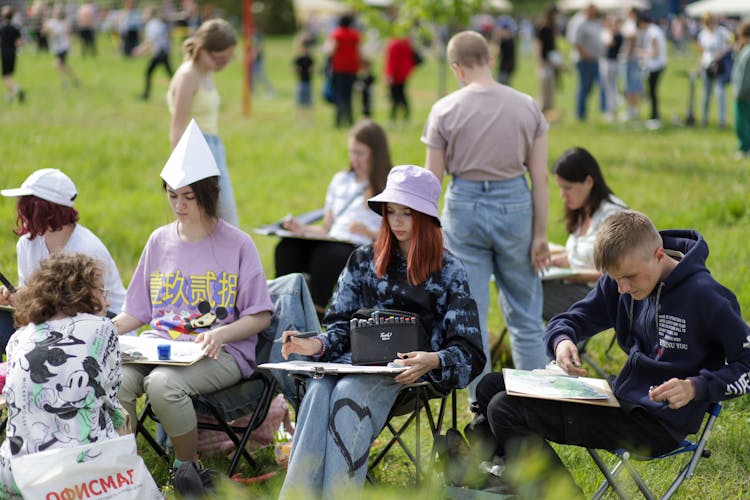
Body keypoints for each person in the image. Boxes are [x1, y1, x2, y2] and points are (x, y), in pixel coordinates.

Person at [473, 210, 750, 496]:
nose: (623, 288)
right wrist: (562, 341)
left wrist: (696, 387)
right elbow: (570, 319)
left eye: (629, 278)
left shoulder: (706, 296)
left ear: (657, 255)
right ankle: (500, 479)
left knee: (504, 408)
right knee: (490, 387)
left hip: (657, 424)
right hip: (618, 400)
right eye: (615, 279)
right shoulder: (621, 281)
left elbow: (747, 364)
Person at [278, 165, 485, 497]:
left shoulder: (449, 271)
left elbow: (470, 351)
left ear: (427, 218)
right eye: (391, 212)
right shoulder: (363, 260)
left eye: (408, 213)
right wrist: (314, 345)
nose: (398, 221)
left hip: (407, 376)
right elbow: (340, 326)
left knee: (347, 394)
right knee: (317, 392)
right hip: (350, 363)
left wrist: (432, 360)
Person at [112, 120, 273, 485]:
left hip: (222, 352)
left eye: (189, 196)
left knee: (163, 386)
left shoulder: (237, 244)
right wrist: (105, 330)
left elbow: (260, 315)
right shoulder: (159, 241)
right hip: (160, 346)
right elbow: (137, 311)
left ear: (209, 193)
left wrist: (221, 334)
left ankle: (187, 470)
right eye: (172, 196)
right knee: (117, 379)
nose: (179, 205)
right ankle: (125, 472)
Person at [423, 30, 550, 398]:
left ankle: (483, 409)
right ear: (490, 59)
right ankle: (539, 403)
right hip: (515, 203)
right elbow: (539, 176)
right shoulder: (526, 105)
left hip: (463, 205)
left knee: (471, 317)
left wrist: (429, 232)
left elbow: (433, 180)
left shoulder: (444, 109)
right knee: (526, 316)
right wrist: (540, 234)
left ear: (456, 68)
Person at [0, 252, 126, 498]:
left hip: (15, 472)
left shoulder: (19, 337)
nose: (107, 302)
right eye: (102, 291)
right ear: (83, 293)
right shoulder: (102, 329)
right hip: (78, 474)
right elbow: (110, 400)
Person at [275, 119, 392, 317]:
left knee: (328, 256)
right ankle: (283, 309)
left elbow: (400, 229)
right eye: (351, 152)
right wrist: (301, 229)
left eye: (360, 153)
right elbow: (327, 228)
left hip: (361, 246)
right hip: (332, 240)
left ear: (376, 153)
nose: (354, 158)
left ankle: (316, 314)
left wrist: (370, 232)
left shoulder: (389, 185)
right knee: (287, 247)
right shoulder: (341, 180)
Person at [0, 168, 127, 317]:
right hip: (51, 322)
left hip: (103, 324)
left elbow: (89, 310)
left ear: (47, 211)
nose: (22, 214)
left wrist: (29, 302)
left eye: (28, 209)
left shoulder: (87, 249)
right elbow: (30, 294)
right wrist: (14, 296)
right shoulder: (27, 244)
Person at [167, 18, 239, 227]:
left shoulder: (205, 72)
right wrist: (183, 177)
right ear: (203, 49)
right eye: (219, 59)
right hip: (196, 150)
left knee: (222, 221)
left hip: (213, 147)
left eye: (227, 59)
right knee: (216, 220)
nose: (223, 65)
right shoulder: (188, 76)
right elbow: (177, 129)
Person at [550, 147, 627, 283]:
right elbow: (586, 255)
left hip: (599, 294)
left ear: (589, 182)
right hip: (576, 287)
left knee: (534, 291)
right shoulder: (582, 210)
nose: (562, 194)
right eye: (560, 188)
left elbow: (619, 274)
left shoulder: (613, 216)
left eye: (567, 188)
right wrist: (558, 260)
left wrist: (570, 276)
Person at [697, 13, 733, 128]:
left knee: (719, 92)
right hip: (707, 65)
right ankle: (704, 119)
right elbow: (702, 51)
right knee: (706, 93)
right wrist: (699, 66)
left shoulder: (722, 32)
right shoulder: (702, 34)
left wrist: (722, 53)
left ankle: (721, 121)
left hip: (719, 65)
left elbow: (731, 44)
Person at [324, 14, 360, 128]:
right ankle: (350, 120)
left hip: (339, 69)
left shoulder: (336, 34)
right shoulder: (355, 35)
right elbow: (359, 51)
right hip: (352, 69)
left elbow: (330, 50)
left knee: (339, 95)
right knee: (348, 96)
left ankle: (339, 121)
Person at [572, 4, 604, 121]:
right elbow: (576, 43)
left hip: (594, 60)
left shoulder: (594, 23)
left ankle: (594, 111)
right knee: (584, 88)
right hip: (584, 61)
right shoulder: (581, 23)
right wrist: (585, 55)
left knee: (592, 88)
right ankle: (580, 114)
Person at [135, 5, 173, 100]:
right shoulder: (157, 23)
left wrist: (139, 50)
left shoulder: (151, 25)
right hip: (163, 52)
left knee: (149, 72)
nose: (143, 15)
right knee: (170, 75)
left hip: (160, 53)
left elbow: (150, 41)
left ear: (149, 15)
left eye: (145, 13)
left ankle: (146, 95)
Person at [637, 11, 667, 130]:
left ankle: (654, 116)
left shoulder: (652, 32)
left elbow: (655, 52)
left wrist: (642, 53)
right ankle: (654, 116)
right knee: (652, 92)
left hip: (656, 65)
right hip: (656, 64)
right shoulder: (654, 30)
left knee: (652, 93)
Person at [535, 4, 561, 121]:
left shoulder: (552, 27)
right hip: (545, 61)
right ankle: (542, 112)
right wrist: (539, 62)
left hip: (551, 61)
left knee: (550, 89)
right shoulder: (543, 28)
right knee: (545, 89)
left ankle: (548, 111)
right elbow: (538, 45)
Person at [43, 6, 80, 88]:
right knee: (64, 66)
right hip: (56, 48)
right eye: (56, 12)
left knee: (57, 64)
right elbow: (43, 32)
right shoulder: (50, 22)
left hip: (63, 47)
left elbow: (56, 34)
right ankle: (75, 79)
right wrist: (45, 26)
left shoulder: (62, 24)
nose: (57, 14)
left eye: (58, 13)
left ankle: (65, 82)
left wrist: (50, 30)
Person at [384, 34, 416, 123]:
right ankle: (405, 114)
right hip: (404, 72)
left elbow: (392, 61)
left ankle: (393, 116)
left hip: (396, 74)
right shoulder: (406, 42)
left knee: (395, 96)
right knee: (401, 94)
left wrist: (389, 74)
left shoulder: (394, 44)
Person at [732, 20, 750, 159]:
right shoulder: (744, 50)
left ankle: (745, 148)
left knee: (741, 123)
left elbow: (745, 76)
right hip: (743, 93)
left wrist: (739, 93)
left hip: (744, 94)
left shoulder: (748, 52)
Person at [0, 6, 25, 104]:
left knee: (6, 77)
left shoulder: (2, 29)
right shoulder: (15, 28)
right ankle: (9, 97)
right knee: (9, 76)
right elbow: (20, 43)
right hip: (13, 53)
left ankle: (17, 90)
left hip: (5, 53)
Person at [293, 34, 315, 121]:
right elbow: (295, 70)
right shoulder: (299, 59)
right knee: (300, 102)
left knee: (307, 102)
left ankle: (307, 119)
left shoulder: (309, 59)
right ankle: (299, 119)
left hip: (307, 82)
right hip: (301, 82)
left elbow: (312, 69)